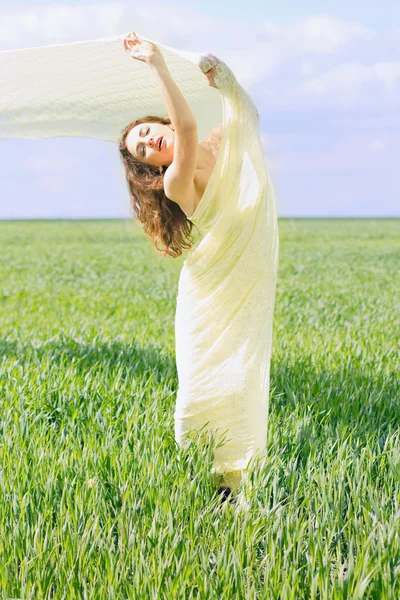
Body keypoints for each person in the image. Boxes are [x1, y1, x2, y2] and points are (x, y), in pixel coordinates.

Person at [118, 32, 222, 259]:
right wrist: (155, 62)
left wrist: (224, 86)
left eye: (146, 132)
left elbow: (246, 120)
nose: (148, 141)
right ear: (154, 168)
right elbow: (186, 127)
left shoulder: (219, 139)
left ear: (166, 124)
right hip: (220, 275)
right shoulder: (175, 184)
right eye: (143, 150)